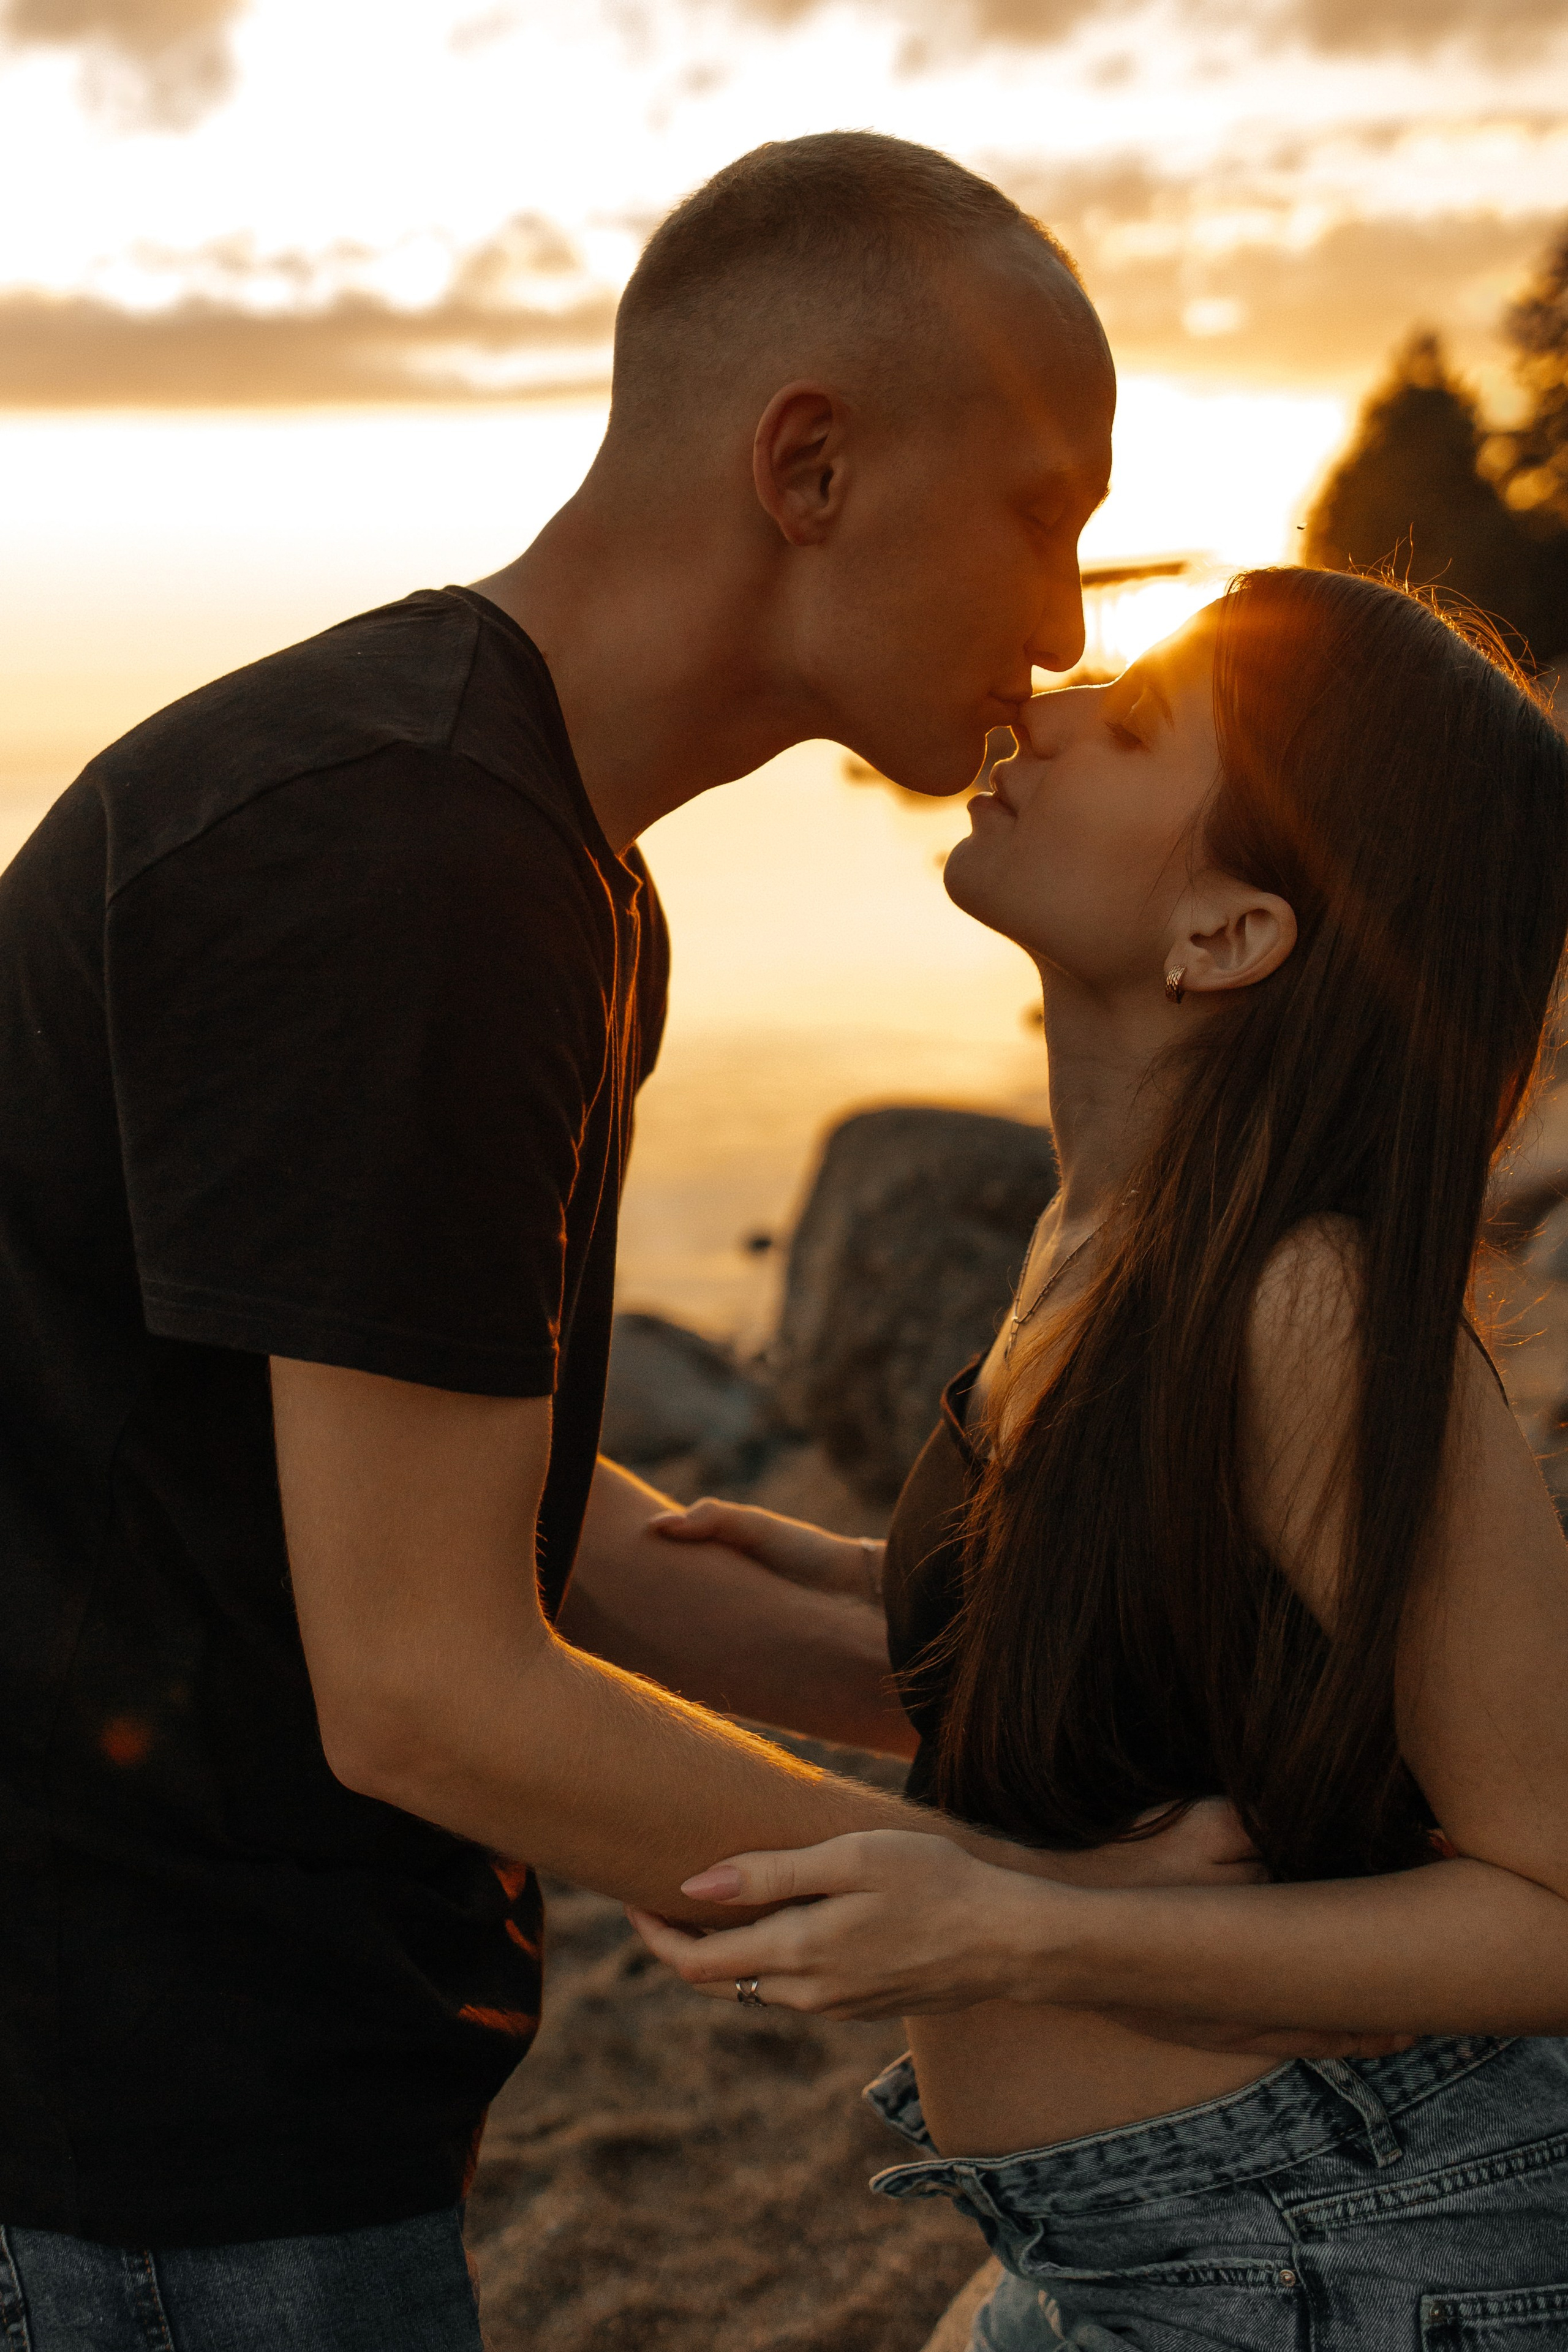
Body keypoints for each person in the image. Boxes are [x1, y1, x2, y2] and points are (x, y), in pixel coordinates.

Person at [0, 131, 1291, 2352]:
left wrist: (1111, 1743)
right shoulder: (397, 860)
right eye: (1041, 514)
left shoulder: (544, 866)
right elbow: (427, 1689)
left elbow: (539, 1536)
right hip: (125, 2158)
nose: (1069, 622)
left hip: (236, 2104)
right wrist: (1056, 1919)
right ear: (810, 463)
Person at [631, 566, 1568, 2346]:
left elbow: (1555, 1906)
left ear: (1230, 934)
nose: (1038, 700)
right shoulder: (1104, 1237)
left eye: (1132, 722)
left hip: (1346, 2252)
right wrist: (891, 1597)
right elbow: (1189, 1681)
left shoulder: (1301, 1298)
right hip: (1134, 2244)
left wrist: (1016, 1933)